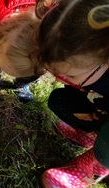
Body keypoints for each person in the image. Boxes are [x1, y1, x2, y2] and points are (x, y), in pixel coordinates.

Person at [36, 0, 109, 187]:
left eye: (70, 75)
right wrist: (79, 103)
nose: (61, 79)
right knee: (60, 100)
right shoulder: (90, 63)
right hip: (102, 109)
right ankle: (94, 135)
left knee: (106, 147)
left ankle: (92, 167)